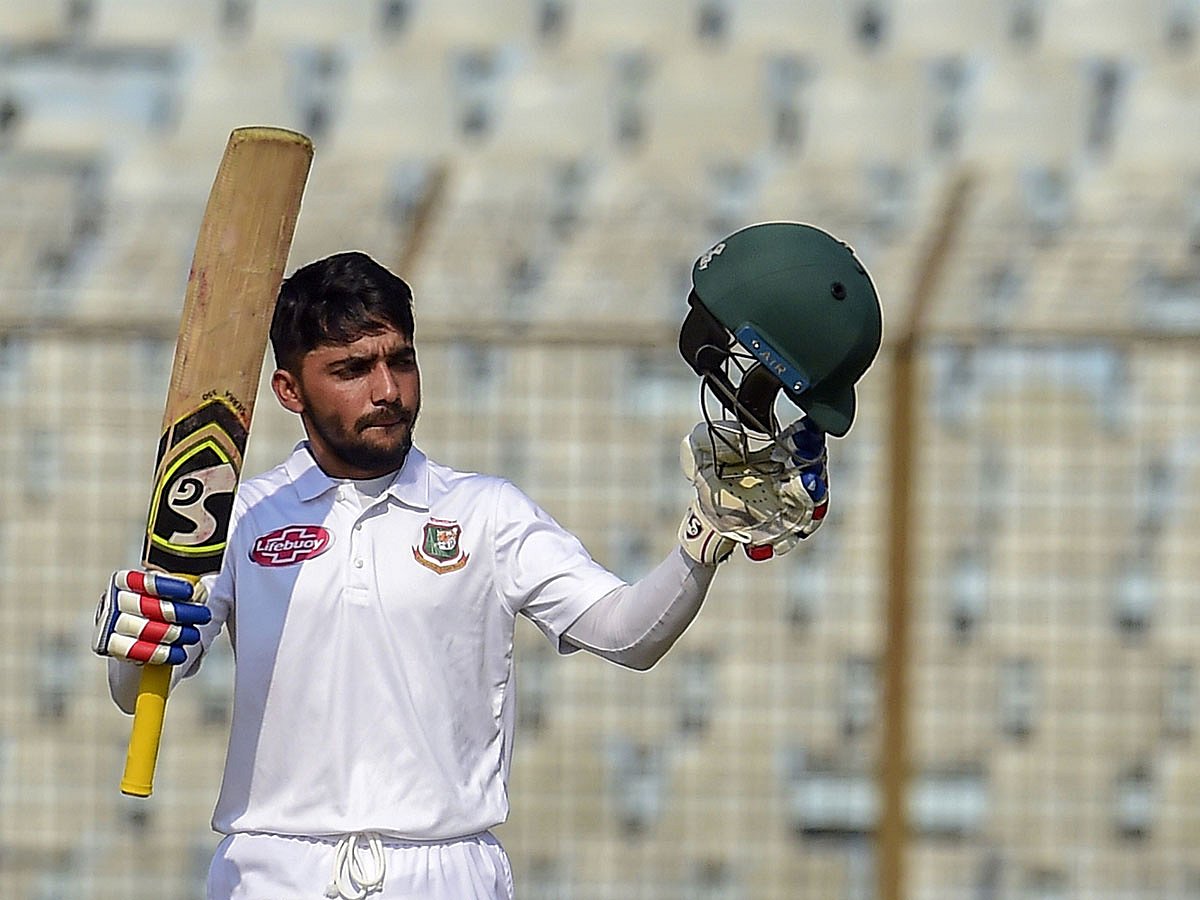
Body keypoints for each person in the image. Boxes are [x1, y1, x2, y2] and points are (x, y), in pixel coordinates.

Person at [94, 232, 873, 899]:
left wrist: (701, 543)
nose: (388, 390)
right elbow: (143, 689)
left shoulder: (485, 512)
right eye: (353, 369)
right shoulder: (239, 515)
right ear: (290, 390)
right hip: (271, 871)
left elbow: (629, 636)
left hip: (445, 871)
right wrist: (135, 641)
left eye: (401, 360)